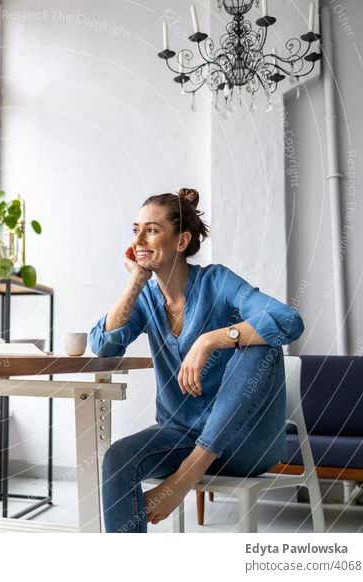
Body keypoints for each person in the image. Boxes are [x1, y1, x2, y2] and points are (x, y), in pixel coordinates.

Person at [89, 188, 304, 533]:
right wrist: (136, 278)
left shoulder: (217, 283)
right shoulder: (145, 297)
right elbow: (104, 346)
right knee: (118, 458)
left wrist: (211, 338)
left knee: (263, 343)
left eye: (152, 230)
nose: (140, 239)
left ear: (181, 241)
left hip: (245, 443)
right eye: (136, 230)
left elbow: (289, 321)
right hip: (180, 434)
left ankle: (184, 479)